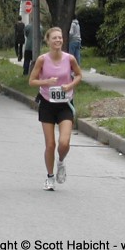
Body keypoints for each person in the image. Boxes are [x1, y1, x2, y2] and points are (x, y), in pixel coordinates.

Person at [28, 27, 82, 191]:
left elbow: (79, 75)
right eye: (54, 38)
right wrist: (46, 82)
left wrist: (70, 85)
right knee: (50, 144)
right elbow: (32, 81)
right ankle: (50, 177)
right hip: (47, 104)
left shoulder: (70, 58)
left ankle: (61, 161)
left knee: (64, 142)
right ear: (48, 41)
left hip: (65, 104)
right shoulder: (42, 60)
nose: (58, 40)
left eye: (60, 38)